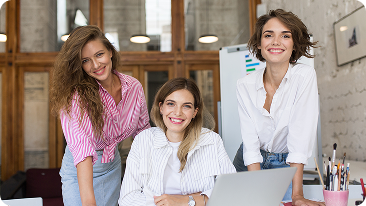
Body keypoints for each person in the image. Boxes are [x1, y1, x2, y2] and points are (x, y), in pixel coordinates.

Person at [233, 9, 325, 206]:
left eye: (285, 35)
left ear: (294, 43)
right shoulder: (244, 84)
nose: (276, 42)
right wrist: (258, 193)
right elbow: (250, 144)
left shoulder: (304, 76)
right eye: (268, 35)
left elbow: (299, 138)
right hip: (249, 163)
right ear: (259, 43)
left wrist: (297, 195)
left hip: (286, 166)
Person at [50, 25, 150, 206]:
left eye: (99, 55)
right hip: (80, 169)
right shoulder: (76, 97)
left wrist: (152, 180)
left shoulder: (134, 87)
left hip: (112, 165)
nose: (95, 65)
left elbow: (143, 134)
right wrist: (89, 202)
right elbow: (82, 150)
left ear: (110, 51)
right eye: (85, 60)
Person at [118, 78, 236, 206]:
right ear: (161, 107)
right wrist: (199, 199)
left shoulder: (211, 140)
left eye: (186, 106)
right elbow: (127, 199)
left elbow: (231, 190)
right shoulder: (144, 140)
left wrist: (184, 201)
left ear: (195, 112)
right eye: (171, 104)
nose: (177, 112)